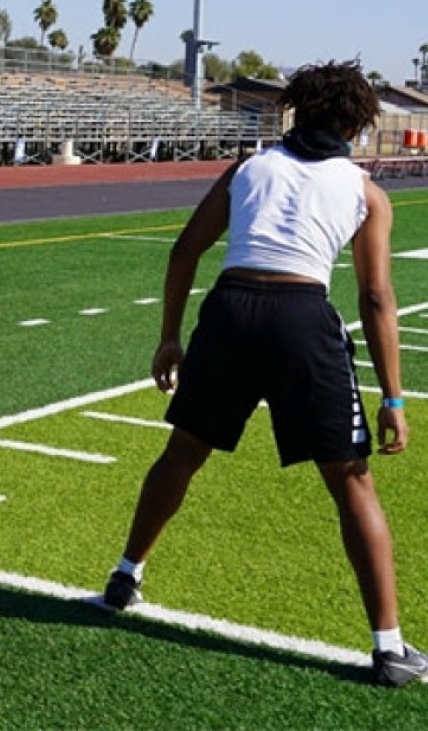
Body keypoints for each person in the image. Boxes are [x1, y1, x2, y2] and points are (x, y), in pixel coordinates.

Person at [100, 61, 425, 688]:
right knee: (353, 482)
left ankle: (124, 576)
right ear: (356, 124)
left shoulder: (248, 168)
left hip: (229, 311)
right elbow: (377, 298)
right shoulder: (364, 191)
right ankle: (390, 649)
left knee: (183, 452)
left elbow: (184, 249)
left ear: (295, 110)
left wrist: (170, 336)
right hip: (302, 319)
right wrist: (394, 397)